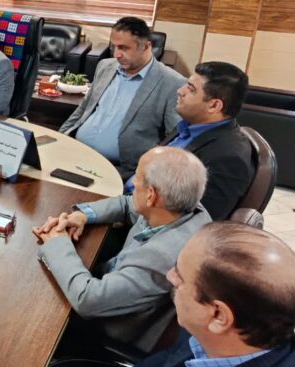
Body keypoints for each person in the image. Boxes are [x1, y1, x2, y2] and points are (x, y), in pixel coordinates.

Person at [33, 147, 211, 352]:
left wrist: (57, 241)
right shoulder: (184, 209)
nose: (132, 182)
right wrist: (82, 216)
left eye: (138, 178)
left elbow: (88, 300)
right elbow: (128, 204)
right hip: (108, 290)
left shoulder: (161, 256)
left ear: (151, 196)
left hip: (99, 331)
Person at [103, 222, 295, 367]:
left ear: (218, 315)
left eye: (180, 276)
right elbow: (163, 363)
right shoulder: (214, 338)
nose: (170, 276)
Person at [123, 61, 254, 220]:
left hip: (137, 218)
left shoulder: (228, 159)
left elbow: (195, 222)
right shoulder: (190, 123)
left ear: (214, 105)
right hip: (127, 196)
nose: (180, 91)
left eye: (191, 89)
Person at [60, 17, 184, 179]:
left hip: (120, 170)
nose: (116, 54)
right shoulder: (105, 66)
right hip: (76, 153)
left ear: (146, 46)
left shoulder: (172, 83)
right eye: (114, 46)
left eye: (124, 48)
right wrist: (60, 137)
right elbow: (83, 109)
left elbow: (174, 139)